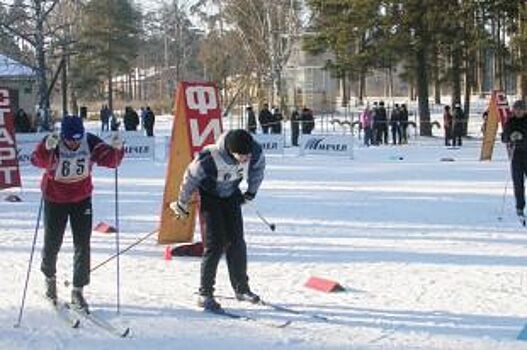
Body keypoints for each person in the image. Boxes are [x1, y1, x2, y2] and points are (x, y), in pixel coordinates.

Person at [31, 115, 124, 311]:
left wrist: (117, 148)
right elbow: (37, 161)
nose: (73, 143)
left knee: (82, 244)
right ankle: (49, 278)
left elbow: (111, 161)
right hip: (55, 198)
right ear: (63, 135)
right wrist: (45, 148)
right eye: (69, 139)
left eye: (77, 138)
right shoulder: (54, 142)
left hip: (81, 199)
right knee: (52, 241)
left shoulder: (89, 141)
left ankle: (78, 289)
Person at [169, 129, 266, 311]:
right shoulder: (208, 158)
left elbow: (258, 170)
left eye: (247, 155)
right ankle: (205, 293)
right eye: (241, 156)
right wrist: (182, 202)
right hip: (210, 197)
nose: (245, 159)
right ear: (230, 151)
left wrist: (251, 191)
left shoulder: (256, 151)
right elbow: (190, 178)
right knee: (215, 244)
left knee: (237, 242)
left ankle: (241, 288)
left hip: (231, 195)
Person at [502, 100, 527, 218]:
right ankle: (519, 206)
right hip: (516, 156)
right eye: (516, 109)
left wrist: (522, 138)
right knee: (518, 183)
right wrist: (510, 137)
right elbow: (504, 137)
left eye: (521, 109)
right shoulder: (510, 122)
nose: (518, 111)